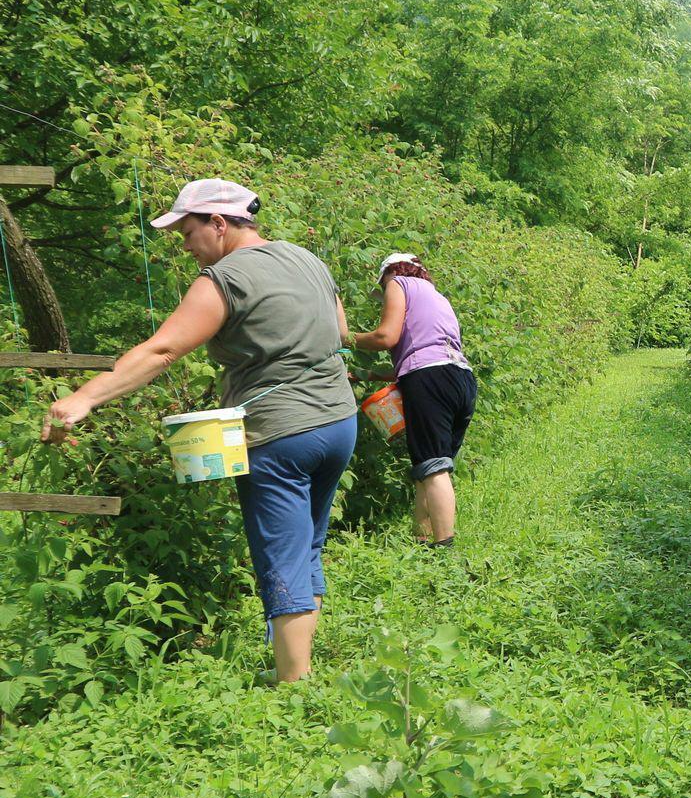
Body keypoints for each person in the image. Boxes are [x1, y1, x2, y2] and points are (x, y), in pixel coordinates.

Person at [41, 178, 356, 683]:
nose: (186, 246)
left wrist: (84, 398)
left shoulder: (224, 278)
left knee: (281, 555)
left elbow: (164, 350)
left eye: (188, 232)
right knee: (307, 546)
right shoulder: (306, 258)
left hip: (280, 434)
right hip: (339, 422)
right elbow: (340, 333)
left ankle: (294, 690)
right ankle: (298, 662)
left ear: (219, 223)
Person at [349, 253, 476, 546]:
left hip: (429, 378)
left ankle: (444, 549)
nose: (383, 295)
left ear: (390, 274)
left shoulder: (399, 282)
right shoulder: (438, 298)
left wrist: (345, 337)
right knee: (428, 468)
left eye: (381, 288)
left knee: (433, 466)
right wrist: (365, 374)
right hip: (461, 378)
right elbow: (416, 356)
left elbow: (386, 337)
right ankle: (422, 541)